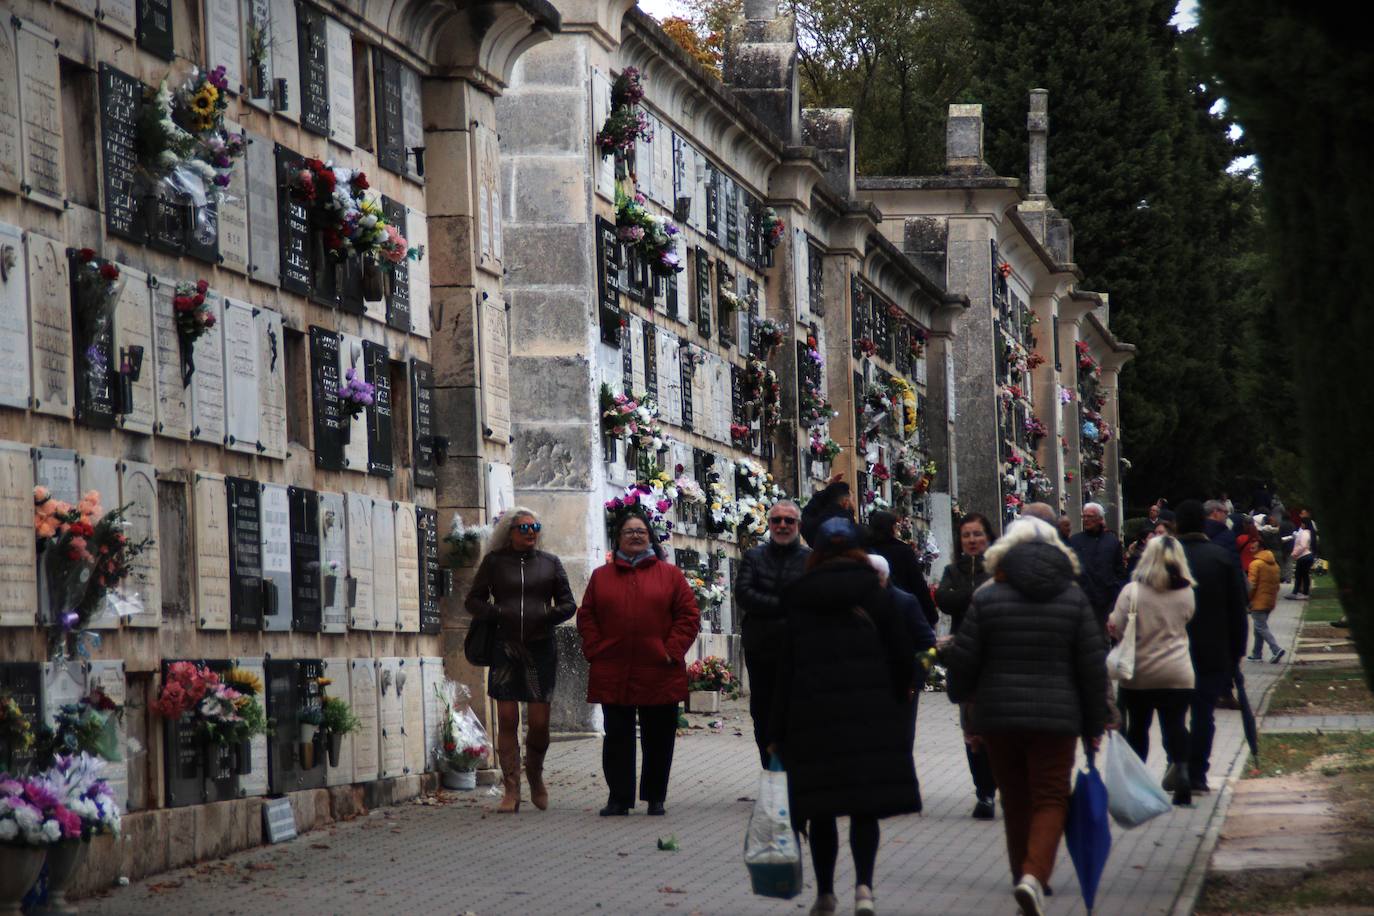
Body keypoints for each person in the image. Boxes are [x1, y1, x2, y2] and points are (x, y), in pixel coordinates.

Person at [943, 517, 1108, 916]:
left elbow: (965, 660)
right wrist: (1094, 724)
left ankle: (1024, 878)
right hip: (1058, 718)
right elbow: (1091, 666)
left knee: (1015, 800)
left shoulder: (987, 597)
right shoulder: (1073, 598)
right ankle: (1035, 877)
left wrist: (965, 703)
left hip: (999, 717)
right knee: (1051, 797)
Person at [770, 518, 918, 916]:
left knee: (821, 808)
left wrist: (776, 727)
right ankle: (865, 889)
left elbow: (786, 666)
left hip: (812, 716)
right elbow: (903, 656)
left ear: (815, 550)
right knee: (864, 807)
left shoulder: (798, 595)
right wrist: (898, 699)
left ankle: (825, 891)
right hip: (869, 715)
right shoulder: (877, 593)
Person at [577, 512, 700, 816]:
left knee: (658, 737)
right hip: (613, 668)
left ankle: (655, 796)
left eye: (641, 531)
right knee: (617, 737)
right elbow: (587, 616)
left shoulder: (669, 575)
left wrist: (670, 651)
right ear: (618, 538)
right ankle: (619, 798)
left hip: (658, 668)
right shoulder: (601, 576)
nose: (635, 536)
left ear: (650, 537)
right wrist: (595, 649)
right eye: (629, 531)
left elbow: (688, 616)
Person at [464, 508, 577, 813]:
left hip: (541, 648)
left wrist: (547, 615)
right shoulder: (495, 563)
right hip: (506, 648)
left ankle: (536, 774)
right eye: (523, 528)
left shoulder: (550, 563)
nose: (530, 532)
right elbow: (473, 600)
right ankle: (511, 788)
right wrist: (498, 613)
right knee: (508, 720)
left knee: (539, 723)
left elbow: (568, 604)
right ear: (509, 532)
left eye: (535, 527)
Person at [1107, 536, 1196, 806]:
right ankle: (1181, 773)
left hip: (1139, 672)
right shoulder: (1186, 591)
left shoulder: (1132, 591)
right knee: (1176, 726)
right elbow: (1187, 619)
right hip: (1177, 671)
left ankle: (1138, 782)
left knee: (1138, 728)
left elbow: (1117, 626)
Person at [1175, 500, 1249, 793]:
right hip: (1212, 649)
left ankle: (1177, 762)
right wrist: (1237, 651)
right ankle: (1197, 774)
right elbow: (1237, 608)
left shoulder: (1167, 558)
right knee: (1203, 714)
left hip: (1173, 648)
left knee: (1174, 714)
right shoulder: (1219, 558)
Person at [735, 499, 811, 766]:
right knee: (763, 712)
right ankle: (769, 768)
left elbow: (813, 597)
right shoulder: (754, 557)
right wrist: (783, 605)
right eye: (776, 520)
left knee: (797, 711)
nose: (782, 526)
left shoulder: (810, 559)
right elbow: (744, 594)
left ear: (798, 525)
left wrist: (777, 605)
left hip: (799, 649)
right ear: (768, 524)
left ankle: (795, 772)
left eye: (788, 521)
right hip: (762, 647)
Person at [934, 512, 998, 819]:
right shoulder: (952, 570)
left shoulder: (999, 568)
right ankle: (983, 792)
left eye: (977, 534)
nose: (972, 540)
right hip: (964, 654)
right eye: (966, 536)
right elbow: (945, 601)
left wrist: (967, 598)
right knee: (971, 727)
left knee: (995, 727)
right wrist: (978, 596)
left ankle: (997, 783)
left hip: (996, 656)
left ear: (989, 537)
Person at [868, 553, 937, 747]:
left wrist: (915, 680)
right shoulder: (857, 605)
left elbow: (929, 645)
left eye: (876, 576)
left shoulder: (904, 602)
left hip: (902, 686)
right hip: (868, 687)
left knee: (900, 741)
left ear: (885, 577)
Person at [866, 510, 937, 627]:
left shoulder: (865, 550)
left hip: (873, 614)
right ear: (891, 528)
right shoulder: (903, 551)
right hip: (902, 613)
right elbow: (917, 584)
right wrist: (930, 615)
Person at [1068, 502, 1126, 628]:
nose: (1087, 520)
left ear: (1100, 519)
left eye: (1091, 516)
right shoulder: (1074, 541)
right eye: (1085, 517)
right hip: (1082, 599)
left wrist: (1114, 591)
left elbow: (1119, 570)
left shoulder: (1112, 542)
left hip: (1106, 601)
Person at [1246, 543, 1285, 663]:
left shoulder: (1255, 564)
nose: (1250, 550)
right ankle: (1256, 654)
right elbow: (1277, 586)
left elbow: (1251, 585)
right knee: (1259, 628)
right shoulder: (1275, 565)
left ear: (1261, 549)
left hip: (1258, 601)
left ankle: (1276, 649)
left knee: (1260, 627)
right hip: (1269, 601)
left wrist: (1248, 599)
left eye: (1253, 548)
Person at [800, 472, 856, 548]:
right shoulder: (855, 532)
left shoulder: (816, 529)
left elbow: (807, 517)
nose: (854, 504)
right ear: (845, 503)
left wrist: (827, 492)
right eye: (853, 500)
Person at [1287, 516, 1316, 600]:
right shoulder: (1308, 533)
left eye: (1302, 523)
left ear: (1304, 524)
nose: (1301, 525)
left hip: (1304, 556)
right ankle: (1298, 592)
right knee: (1302, 575)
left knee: (1300, 575)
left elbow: (1303, 546)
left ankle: (1298, 592)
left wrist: (1294, 553)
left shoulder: (1304, 533)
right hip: (1305, 556)